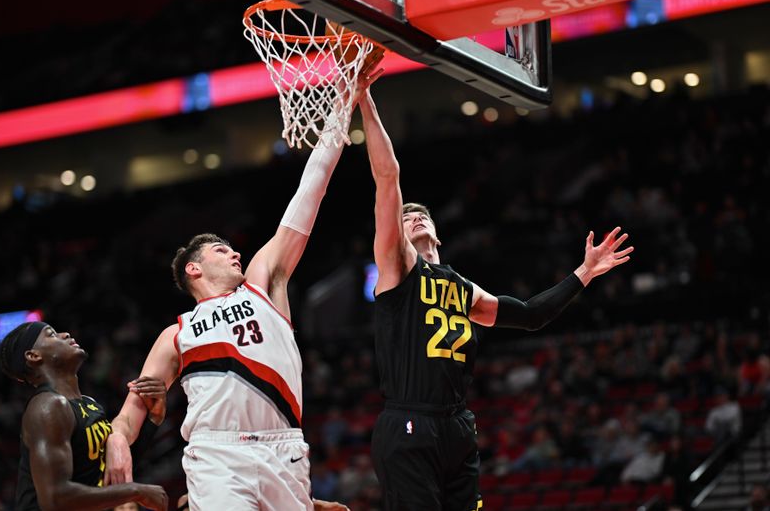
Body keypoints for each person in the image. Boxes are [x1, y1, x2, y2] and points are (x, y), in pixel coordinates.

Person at [104, 66, 384, 511]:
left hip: (284, 448)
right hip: (217, 453)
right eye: (221, 249)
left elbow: (310, 191)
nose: (235, 253)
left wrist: (343, 102)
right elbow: (131, 410)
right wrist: (119, 439)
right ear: (193, 269)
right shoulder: (177, 333)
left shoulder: (262, 284)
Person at [357, 83, 633, 510]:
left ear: (438, 232)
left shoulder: (463, 288)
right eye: (406, 216)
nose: (412, 217)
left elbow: (530, 315)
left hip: (457, 424)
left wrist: (584, 273)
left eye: (421, 214)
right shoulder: (397, 268)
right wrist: (365, 98)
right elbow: (387, 175)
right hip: (409, 420)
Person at [0, 321, 169, 511]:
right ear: (34, 355)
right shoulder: (47, 406)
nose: (64, 334)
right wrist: (136, 491)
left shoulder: (88, 404)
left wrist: (153, 419)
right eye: (51, 334)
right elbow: (55, 498)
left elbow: (109, 472)